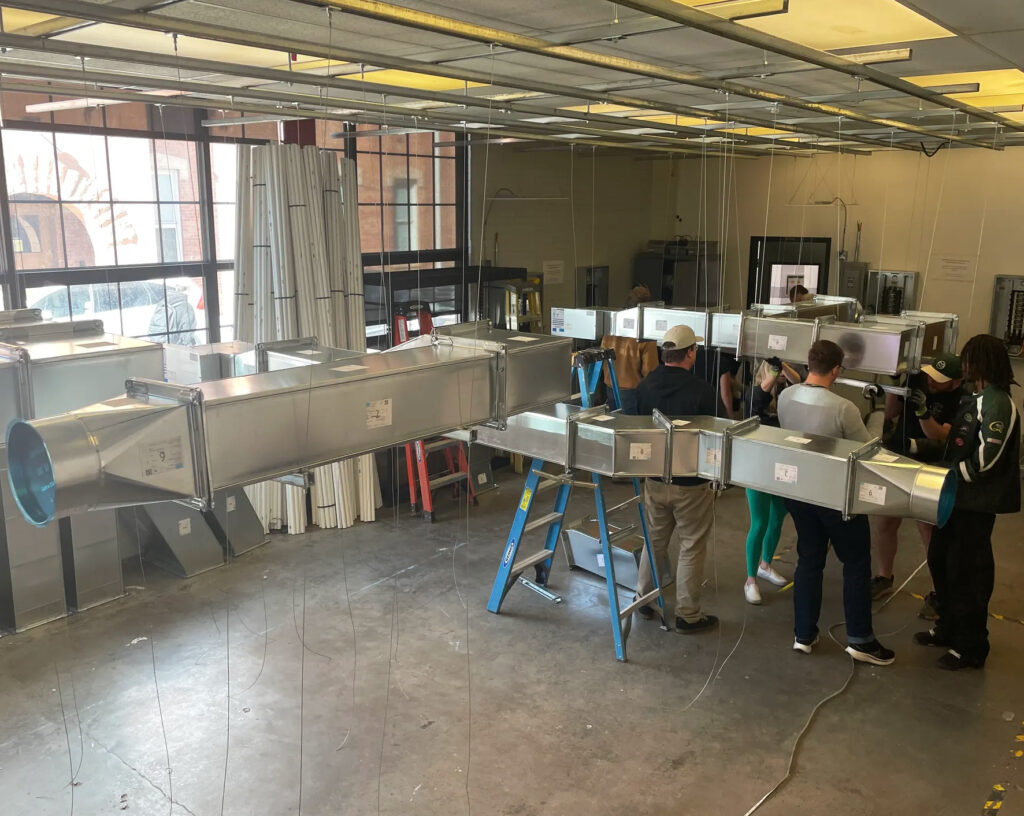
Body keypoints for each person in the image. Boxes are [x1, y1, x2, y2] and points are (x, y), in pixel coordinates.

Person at [777, 339, 895, 666]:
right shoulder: (844, 408)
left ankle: (803, 635)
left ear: (809, 364)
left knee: (809, 559)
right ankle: (860, 638)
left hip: (799, 492)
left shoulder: (786, 396)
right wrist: (879, 412)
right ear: (837, 370)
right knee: (856, 563)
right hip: (835, 495)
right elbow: (868, 450)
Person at [911, 335, 1020, 670]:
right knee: (941, 560)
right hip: (955, 500)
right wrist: (917, 449)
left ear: (981, 362)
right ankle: (947, 627)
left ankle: (971, 646)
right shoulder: (976, 398)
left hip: (976, 504)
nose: (965, 364)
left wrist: (946, 473)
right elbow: (955, 444)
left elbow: (986, 461)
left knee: (968, 574)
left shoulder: (998, 403)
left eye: (969, 358)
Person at [633, 323, 725, 633]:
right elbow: (722, 433)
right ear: (691, 353)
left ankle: (643, 599)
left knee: (654, 540)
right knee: (691, 545)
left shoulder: (644, 386)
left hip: (655, 478)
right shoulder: (702, 391)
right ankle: (688, 615)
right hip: (691, 483)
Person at [871, 352, 965, 614]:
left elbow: (940, 435)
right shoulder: (918, 379)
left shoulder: (962, 399)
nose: (931, 382)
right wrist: (895, 386)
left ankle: (938, 592)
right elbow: (891, 413)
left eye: (939, 380)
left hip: (931, 464)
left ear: (956, 381)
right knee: (886, 521)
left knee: (928, 528)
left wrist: (923, 412)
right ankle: (883, 576)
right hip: (899, 456)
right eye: (931, 375)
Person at [742, 356, 802, 605]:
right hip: (757, 466)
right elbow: (759, 396)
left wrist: (784, 367)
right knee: (760, 522)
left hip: (782, 466)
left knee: (778, 515)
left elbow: (800, 382)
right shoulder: (753, 396)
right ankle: (750, 579)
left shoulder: (788, 398)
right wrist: (774, 373)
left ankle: (765, 565)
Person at [600, 284, 659, 415]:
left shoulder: (611, 327)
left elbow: (603, 358)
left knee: (614, 424)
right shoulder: (645, 333)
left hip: (610, 387)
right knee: (631, 426)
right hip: (632, 392)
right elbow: (649, 371)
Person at [693, 344, 741, 418]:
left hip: (693, 406)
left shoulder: (691, 358)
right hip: (712, 408)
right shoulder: (721, 361)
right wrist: (730, 416)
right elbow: (725, 392)